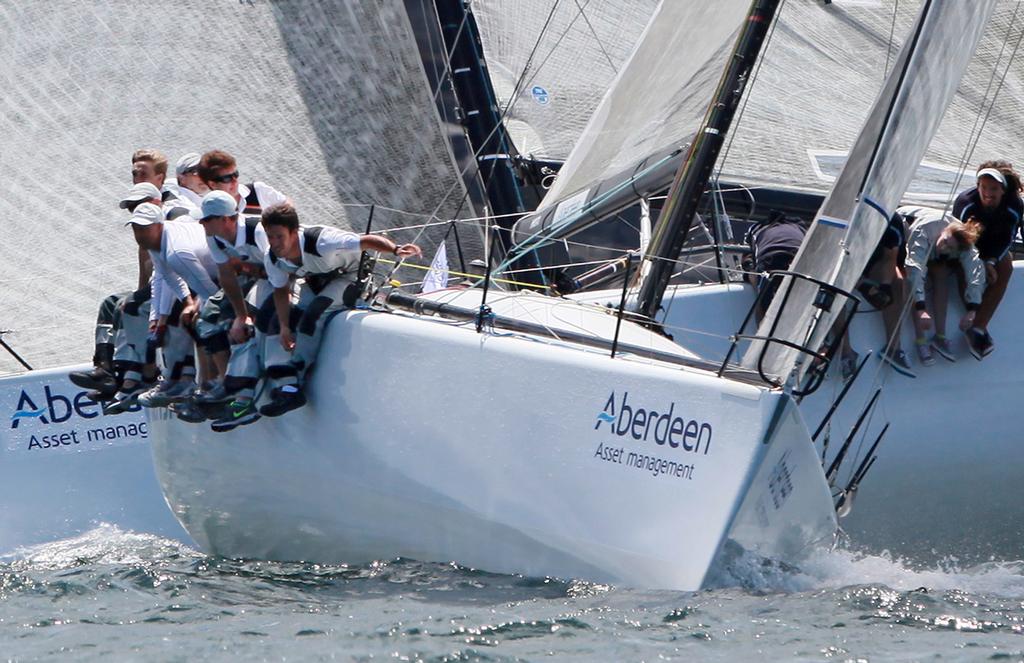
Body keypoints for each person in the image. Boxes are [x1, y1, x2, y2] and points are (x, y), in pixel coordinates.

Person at [256, 202, 422, 418]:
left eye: (279, 236)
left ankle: (297, 374)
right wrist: (286, 326)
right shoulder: (273, 258)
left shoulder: (323, 241)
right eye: (270, 237)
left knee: (314, 313)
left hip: (350, 276)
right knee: (281, 320)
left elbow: (366, 240)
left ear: (294, 232)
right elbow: (280, 291)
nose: (275, 243)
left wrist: (395, 249)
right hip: (316, 279)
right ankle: (286, 387)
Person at [191, 190, 275, 429]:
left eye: (206, 219)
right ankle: (228, 384)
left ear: (227, 218)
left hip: (280, 278)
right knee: (208, 319)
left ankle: (245, 399)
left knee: (253, 324)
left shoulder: (258, 231)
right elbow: (226, 276)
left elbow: (282, 269)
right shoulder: (214, 235)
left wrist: (245, 316)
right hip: (251, 276)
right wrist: (240, 314)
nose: (201, 223)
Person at [952, 161, 1023, 358]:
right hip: (966, 244)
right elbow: (960, 240)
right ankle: (971, 313)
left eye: (993, 189)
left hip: (993, 247)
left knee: (1006, 267)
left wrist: (991, 261)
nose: (988, 193)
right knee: (965, 269)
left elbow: (1008, 238)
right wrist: (980, 262)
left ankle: (978, 327)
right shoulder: (966, 203)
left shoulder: (1013, 206)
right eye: (983, 187)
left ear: (1003, 190)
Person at [902, 207, 985, 368]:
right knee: (915, 278)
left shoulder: (962, 240)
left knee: (941, 273)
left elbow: (976, 271)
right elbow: (914, 268)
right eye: (945, 241)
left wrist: (972, 309)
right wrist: (921, 308)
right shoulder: (924, 231)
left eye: (950, 248)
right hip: (906, 228)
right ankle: (921, 340)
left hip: (932, 249)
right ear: (945, 231)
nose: (944, 247)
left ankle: (940, 336)